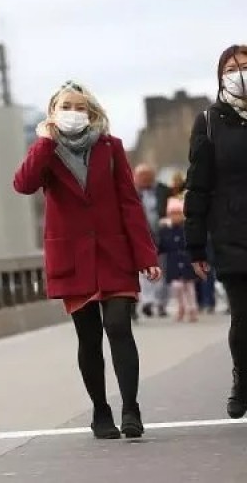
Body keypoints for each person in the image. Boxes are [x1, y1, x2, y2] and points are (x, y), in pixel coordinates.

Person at [13, 80, 161, 440]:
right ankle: (100, 409)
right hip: (73, 258)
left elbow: (129, 202)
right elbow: (24, 184)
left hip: (114, 254)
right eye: (67, 106)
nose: (74, 113)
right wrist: (46, 141)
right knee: (89, 337)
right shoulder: (45, 152)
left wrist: (146, 254)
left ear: (92, 113)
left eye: (81, 107)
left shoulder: (111, 148)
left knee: (119, 327)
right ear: (53, 113)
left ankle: (131, 408)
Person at [184, 44, 247, 419]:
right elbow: (198, 186)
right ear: (221, 75)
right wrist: (195, 246)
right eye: (233, 67)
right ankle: (243, 378)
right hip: (232, 232)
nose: (240, 72)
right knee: (244, 315)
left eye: (246, 65)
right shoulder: (209, 121)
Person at [133, 164, 171, 318]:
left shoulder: (163, 191)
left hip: (162, 236)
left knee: (164, 271)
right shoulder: (132, 192)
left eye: (147, 176)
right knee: (144, 272)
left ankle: (161, 303)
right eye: (141, 176)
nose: (144, 179)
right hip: (143, 237)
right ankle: (148, 302)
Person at [158, 196, 198, 322]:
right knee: (176, 287)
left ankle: (192, 308)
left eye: (178, 214)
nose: (175, 217)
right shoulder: (165, 230)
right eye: (172, 214)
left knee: (189, 287)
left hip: (186, 261)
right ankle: (181, 307)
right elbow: (161, 246)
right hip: (173, 262)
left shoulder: (187, 228)